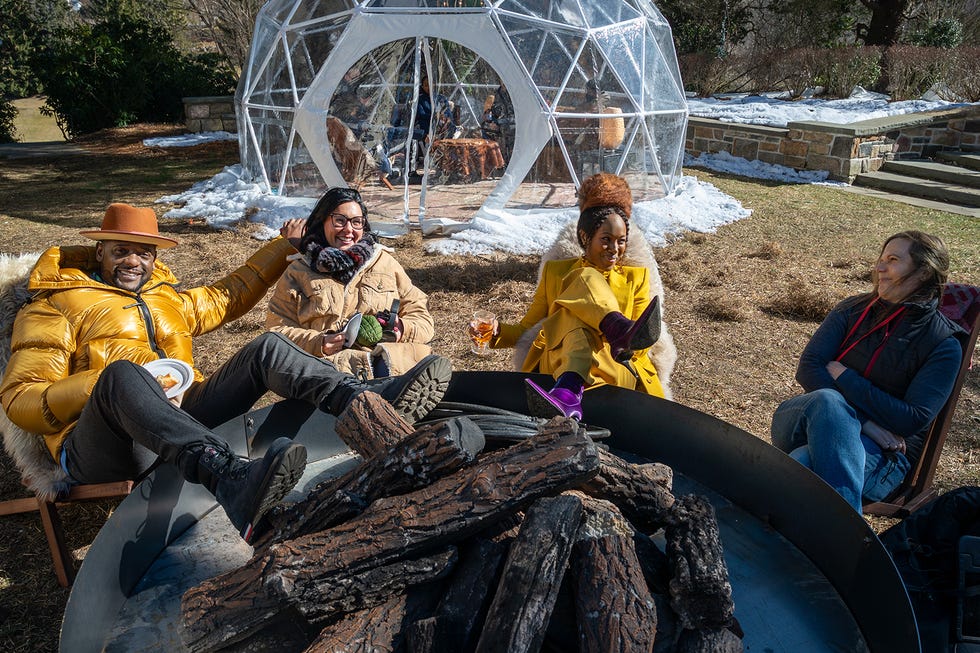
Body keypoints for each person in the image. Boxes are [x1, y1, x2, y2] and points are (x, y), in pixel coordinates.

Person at [0, 203, 451, 543]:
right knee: (121, 374)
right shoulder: (54, 305)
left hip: (178, 415)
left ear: (156, 257)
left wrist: (282, 248)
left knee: (267, 348)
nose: (133, 262)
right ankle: (231, 478)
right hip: (103, 447)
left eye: (143, 253)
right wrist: (104, 383)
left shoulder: (165, 298)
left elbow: (226, 297)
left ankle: (365, 402)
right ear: (100, 250)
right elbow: (21, 401)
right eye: (121, 251)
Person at [771, 231, 963, 512]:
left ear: (923, 272)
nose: (879, 268)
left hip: (884, 456)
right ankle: (848, 538)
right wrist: (863, 421)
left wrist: (846, 377)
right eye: (881, 259)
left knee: (802, 464)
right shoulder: (852, 309)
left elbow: (912, 419)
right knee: (827, 400)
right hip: (806, 423)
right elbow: (809, 367)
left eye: (893, 260)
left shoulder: (942, 343)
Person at [472, 173, 664, 420]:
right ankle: (615, 329)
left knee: (571, 304)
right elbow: (527, 330)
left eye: (621, 241)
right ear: (585, 237)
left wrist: (601, 337)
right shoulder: (557, 272)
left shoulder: (636, 278)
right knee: (578, 287)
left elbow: (639, 346)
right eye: (606, 240)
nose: (614, 250)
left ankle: (568, 391)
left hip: (614, 367)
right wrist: (497, 332)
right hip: (557, 361)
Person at [266, 187, 434, 379]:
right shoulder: (299, 271)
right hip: (331, 371)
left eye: (356, 222)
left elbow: (421, 316)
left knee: (417, 361)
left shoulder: (384, 263)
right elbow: (276, 329)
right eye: (339, 220)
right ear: (323, 222)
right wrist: (318, 343)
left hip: (387, 364)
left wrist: (403, 328)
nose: (348, 230)